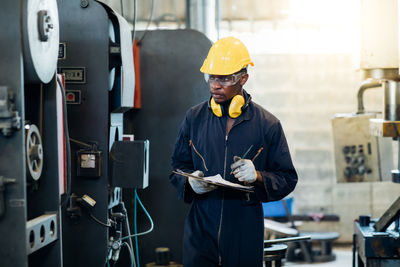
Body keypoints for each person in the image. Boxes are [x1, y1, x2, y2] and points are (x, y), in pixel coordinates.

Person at [169, 36, 298, 267]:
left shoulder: (267, 125)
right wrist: (191, 183)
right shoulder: (194, 118)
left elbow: (287, 179)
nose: (214, 85)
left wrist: (257, 176)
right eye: (212, 77)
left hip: (244, 229)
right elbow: (176, 169)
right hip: (201, 230)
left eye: (225, 79)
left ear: (243, 78)